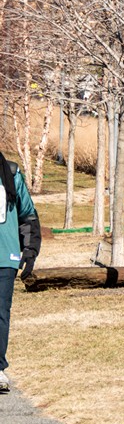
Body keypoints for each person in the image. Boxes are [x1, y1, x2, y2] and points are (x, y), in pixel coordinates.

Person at [0, 151, 41, 394]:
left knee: (1, 313)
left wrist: (30, 251)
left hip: (5, 257)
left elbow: (27, 215)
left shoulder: (11, 173)